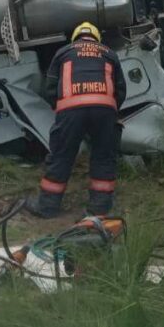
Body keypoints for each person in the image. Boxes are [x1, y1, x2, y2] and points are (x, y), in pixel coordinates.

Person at [25, 21, 126, 218]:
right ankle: (99, 208)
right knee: (104, 156)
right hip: (104, 110)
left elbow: (50, 87)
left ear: (76, 38)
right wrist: (111, 112)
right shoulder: (109, 53)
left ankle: (47, 207)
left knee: (61, 156)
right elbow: (120, 89)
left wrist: (60, 109)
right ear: (96, 38)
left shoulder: (63, 52)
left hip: (71, 111)